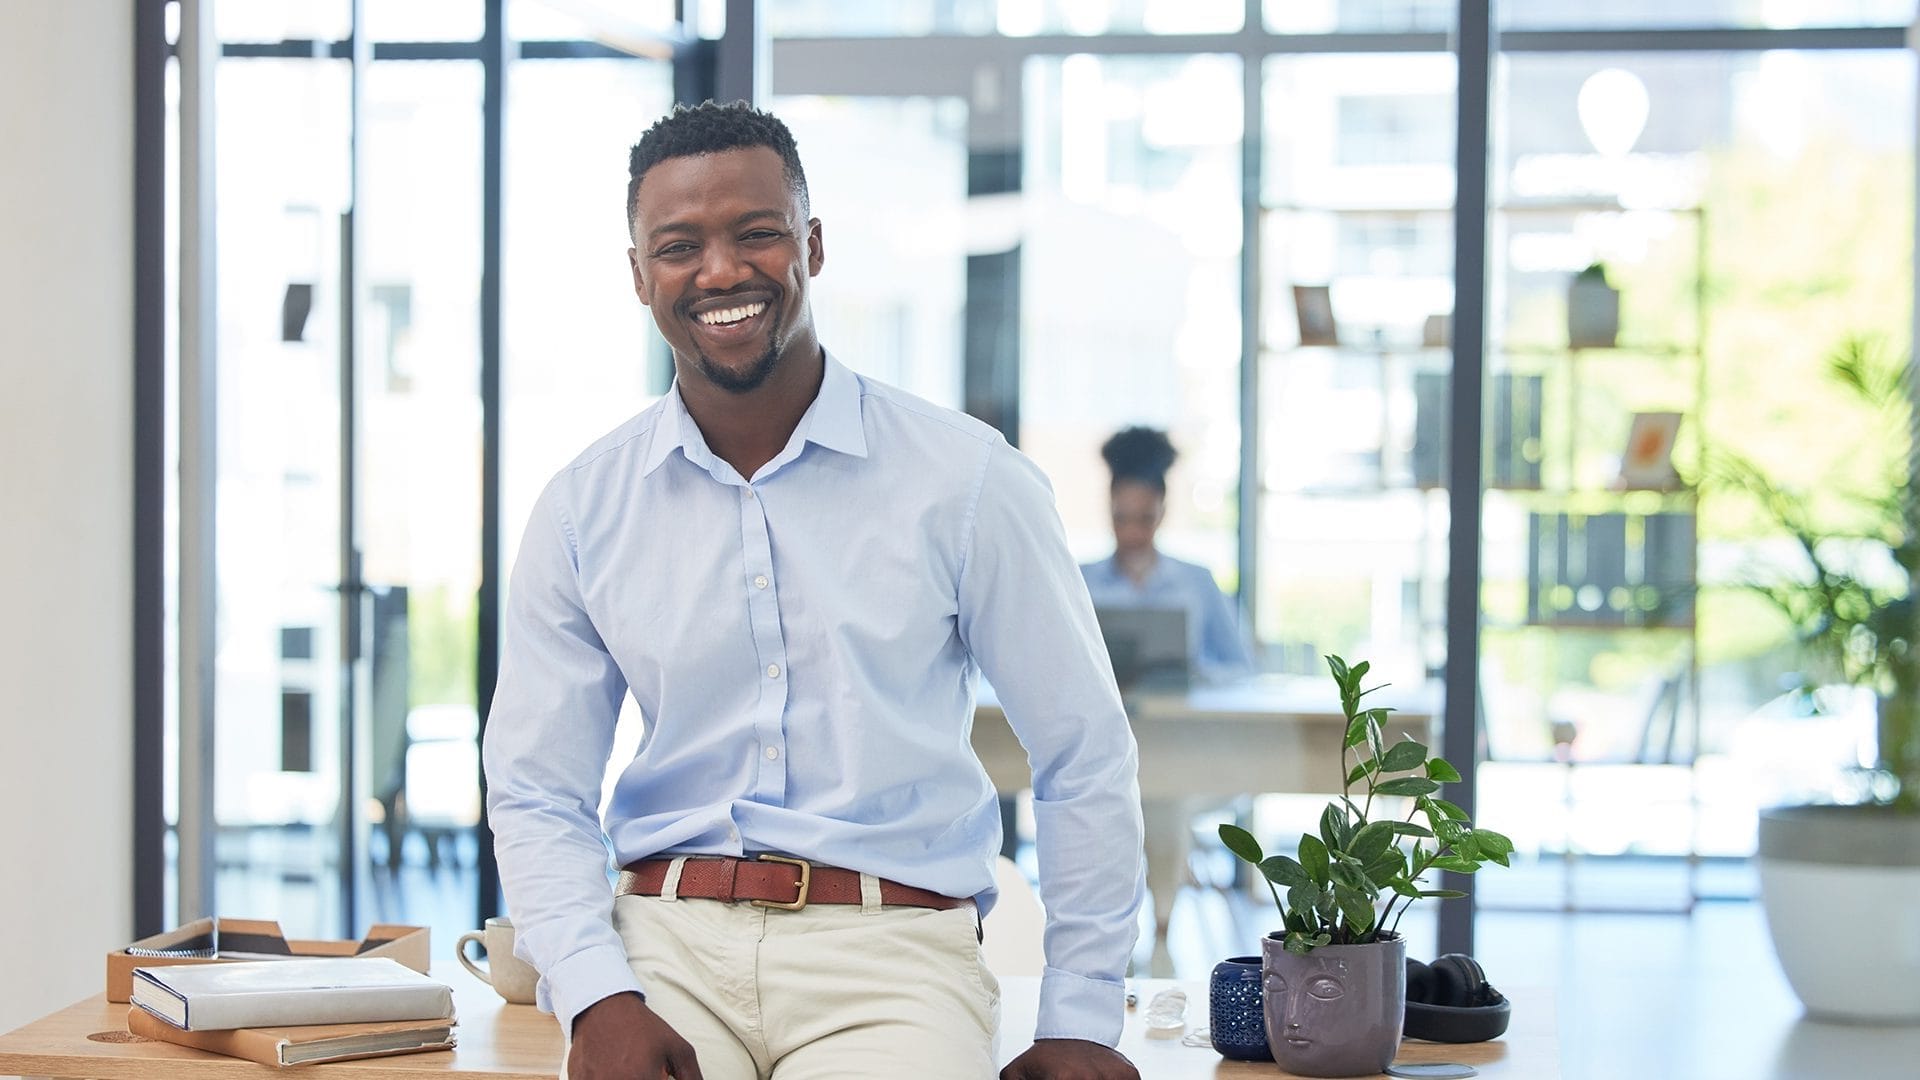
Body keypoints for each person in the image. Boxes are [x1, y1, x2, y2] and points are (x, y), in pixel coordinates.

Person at [482, 101, 1146, 1080]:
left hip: (894, 954)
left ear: (812, 246)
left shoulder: (966, 481)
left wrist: (1082, 1020)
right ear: (638, 275)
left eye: (755, 234)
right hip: (662, 943)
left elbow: (1083, 754)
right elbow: (537, 787)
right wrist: (596, 995)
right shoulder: (585, 508)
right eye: (679, 246)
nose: (720, 272)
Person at [1080, 427, 1252, 681]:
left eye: (1145, 519)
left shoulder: (1199, 581)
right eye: (1121, 518)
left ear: (1163, 510)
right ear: (1109, 507)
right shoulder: (1079, 581)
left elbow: (1243, 668)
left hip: (1178, 719)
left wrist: (1196, 676)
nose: (1132, 533)